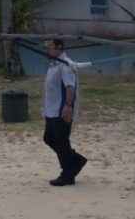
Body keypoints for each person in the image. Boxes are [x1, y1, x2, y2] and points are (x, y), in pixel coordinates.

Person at [42, 39, 91, 186]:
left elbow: (70, 87)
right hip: (51, 110)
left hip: (61, 111)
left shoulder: (65, 65)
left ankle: (67, 175)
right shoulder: (54, 64)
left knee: (61, 142)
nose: (47, 51)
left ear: (59, 48)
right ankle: (76, 161)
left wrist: (68, 107)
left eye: (50, 48)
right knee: (49, 139)